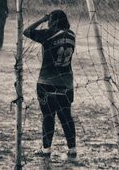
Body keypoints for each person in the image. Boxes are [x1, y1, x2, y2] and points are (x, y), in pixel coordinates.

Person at [23, 10, 77, 160]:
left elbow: (27, 31)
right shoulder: (72, 35)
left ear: (52, 21)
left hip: (46, 83)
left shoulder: (48, 34)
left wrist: (42, 18)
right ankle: (72, 148)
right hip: (66, 84)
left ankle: (46, 149)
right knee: (66, 117)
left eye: (49, 20)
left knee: (48, 116)